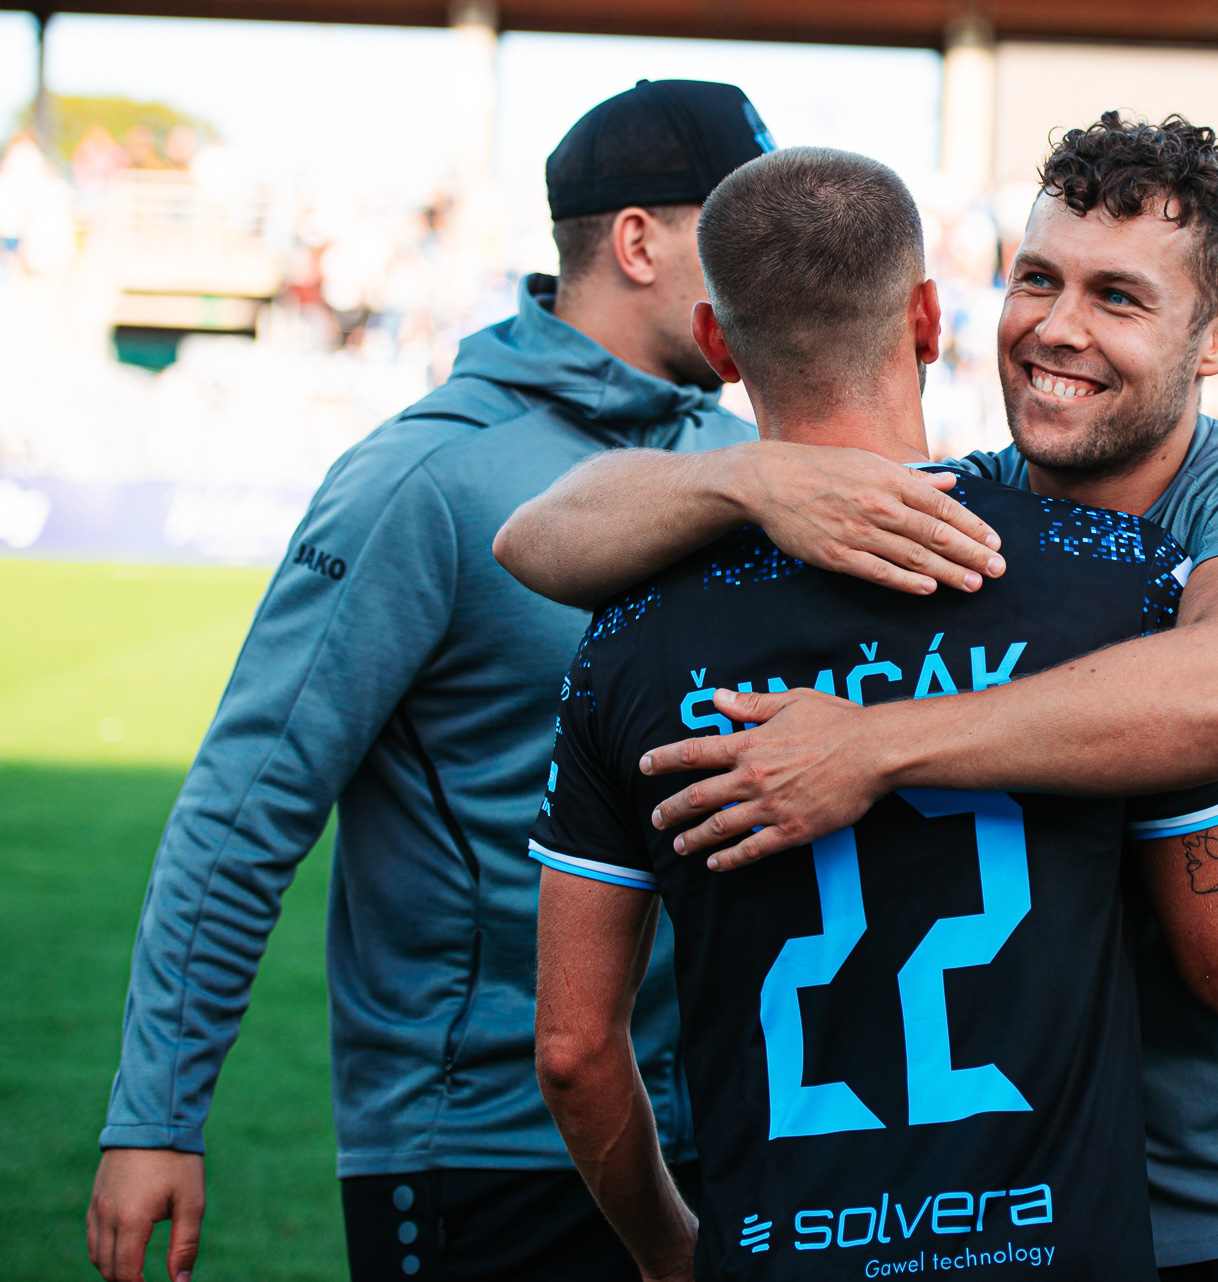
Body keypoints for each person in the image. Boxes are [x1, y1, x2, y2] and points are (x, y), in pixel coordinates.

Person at [498, 112, 1218, 1282]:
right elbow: (533, 540)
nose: (1058, 326)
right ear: (941, 313)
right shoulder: (986, 519)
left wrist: (876, 745)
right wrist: (749, 477)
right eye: (1036, 278)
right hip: (1081, 1193)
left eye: (1118, 297)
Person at [85, 80, 776, 1282]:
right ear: (637, 242)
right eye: (741, 236)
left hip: (725, 1137)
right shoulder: (425, 478)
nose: (773, 274)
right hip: (487, 1156)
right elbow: (246, 809)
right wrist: (157, 1114)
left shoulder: (749, 460)